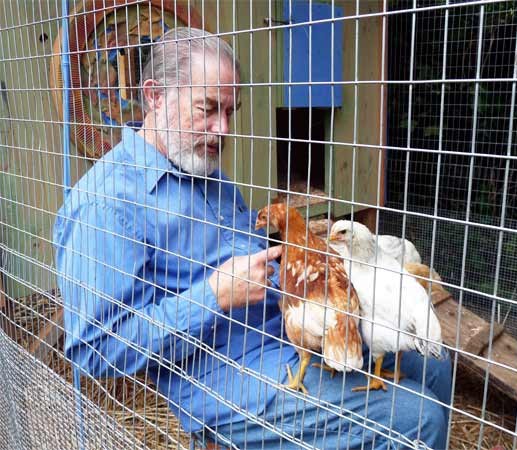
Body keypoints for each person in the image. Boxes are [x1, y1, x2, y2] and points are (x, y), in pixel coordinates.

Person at [54, 27, 452, 449]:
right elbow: (91, 348)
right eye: (207, 108)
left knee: (433, 367)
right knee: (415, 417)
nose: (223, 128)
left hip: (292, 333)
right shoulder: (105, 203)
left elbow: (257, 254)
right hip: (227, 377)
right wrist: (213, 296)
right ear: (154, 96)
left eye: (231, 111)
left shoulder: (206, 172)